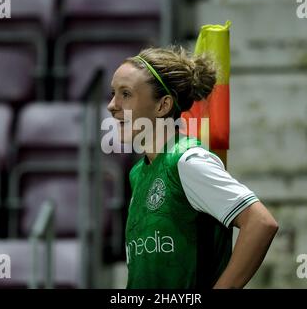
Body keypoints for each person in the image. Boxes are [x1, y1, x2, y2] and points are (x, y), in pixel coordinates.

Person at [107, 46, 279, 289]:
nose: (112, 105)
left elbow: (260, 223)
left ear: (163, 105)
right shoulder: (138, 172)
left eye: (125, 94)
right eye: (112, 93)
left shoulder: (188, 161)